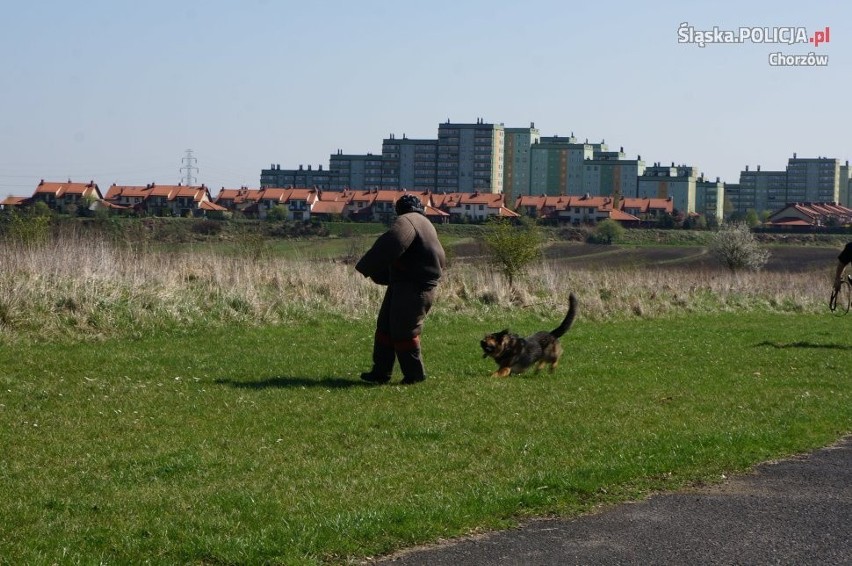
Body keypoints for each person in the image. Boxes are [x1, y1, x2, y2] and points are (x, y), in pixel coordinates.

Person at [355, 194, 446, 385]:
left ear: (400, 209)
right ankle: (380, 373)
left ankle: (414, 375)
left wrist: (366, 266)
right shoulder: (425, 223)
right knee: (386, 328)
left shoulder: (407, 221)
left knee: (404, 331)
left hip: (413, 286)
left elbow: (394, 242)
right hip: (409, 284)